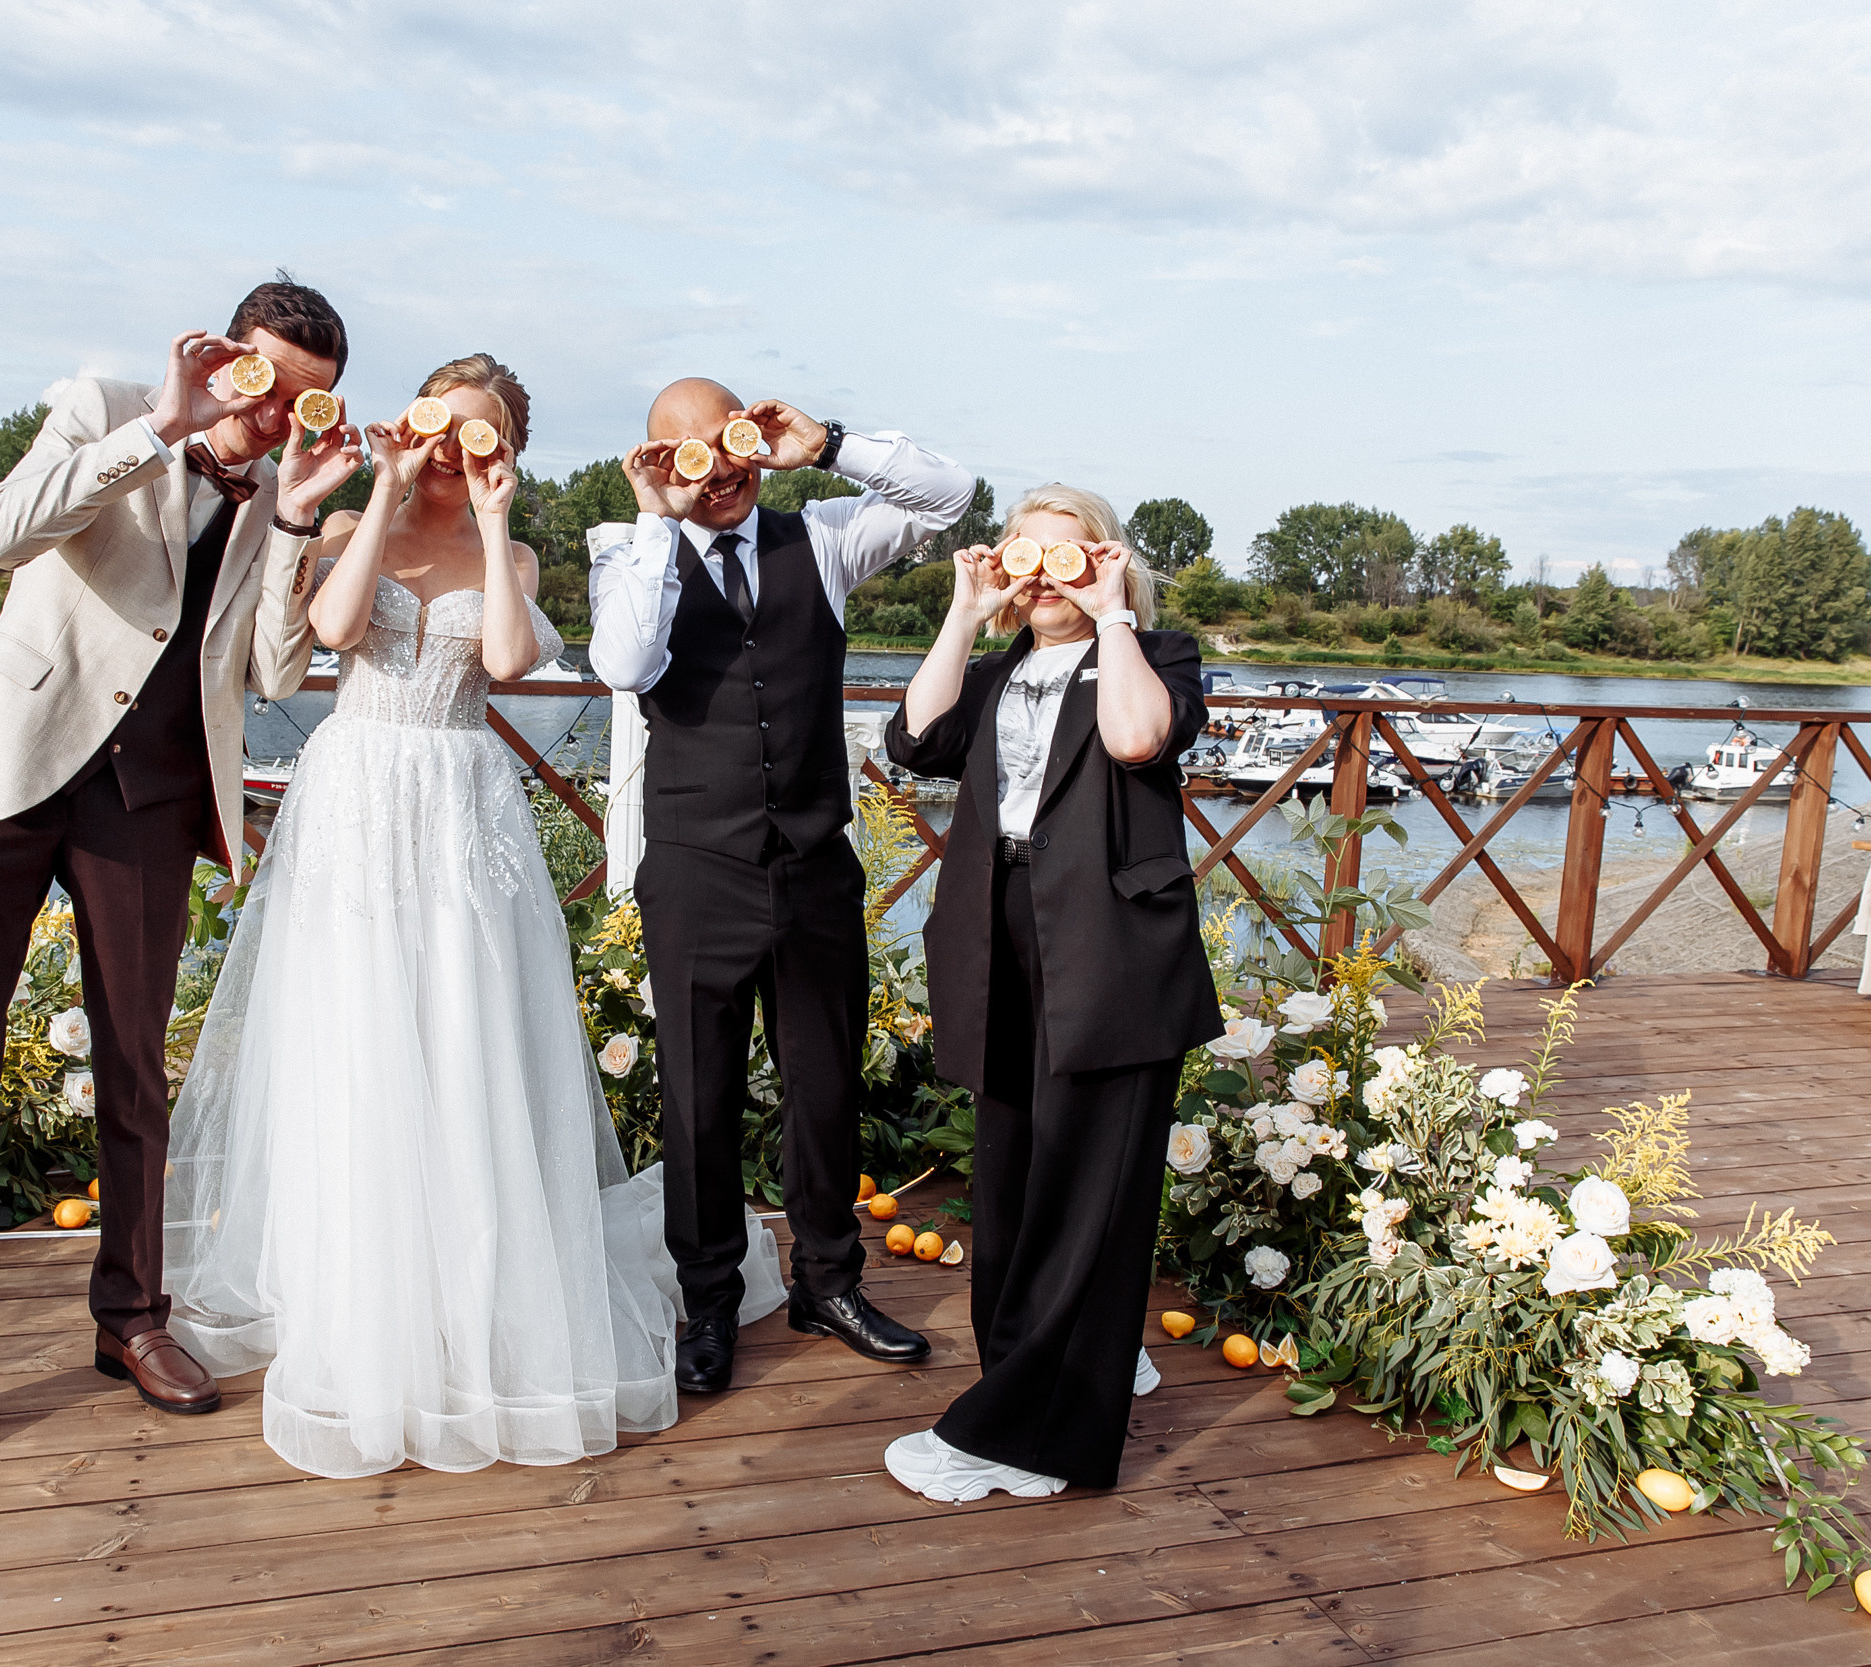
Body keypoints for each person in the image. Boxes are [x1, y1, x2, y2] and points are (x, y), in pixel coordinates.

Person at [160, 355, 782, 1478]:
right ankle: (359, 1294)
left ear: (506, 451)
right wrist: (390, 484)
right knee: (359, 1037)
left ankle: (470, 1294)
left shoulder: (522, 549)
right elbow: (338, 631)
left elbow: (502, 657)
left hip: (459, 800)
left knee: (460, 1036)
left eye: (481, 434)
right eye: (443, 425)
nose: (456, 447)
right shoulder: (361, 511)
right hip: (356, 793)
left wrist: (494, 529)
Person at [0, 281, 361, 1514]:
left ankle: (130, 1316)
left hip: (153, 799)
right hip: (12, 770)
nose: (272, 412)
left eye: (299, 393)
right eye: (257, 380)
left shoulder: (286, 483)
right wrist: (161, 429)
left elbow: (277, 666)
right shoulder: (109, 405)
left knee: (135, 1072)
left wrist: (297, 520)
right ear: (223, 359)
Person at [588, 381, 971, 1393]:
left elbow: (951, 495)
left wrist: (831, 443)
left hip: (812, 861)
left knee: (824, 1081)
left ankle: (827, 1281)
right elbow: (626, 661)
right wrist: (655, 521)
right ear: (658, 460)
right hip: (694, 865)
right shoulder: (626, 547)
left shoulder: (826, 536)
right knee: (698, 1098)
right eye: (691, 453)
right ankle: (707, 1300)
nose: (722, 467)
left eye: (732, 441)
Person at [879, 484, 1221, 1503]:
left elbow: (1132, 742)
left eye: (1063, 554)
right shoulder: (993, 671)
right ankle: (1055, 1374)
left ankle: (1023, 1436)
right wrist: (962, 606)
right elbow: (912, 739)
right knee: (1016, 1178)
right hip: (1000, 940)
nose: (1041, 572)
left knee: (1089, 1193)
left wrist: (1114, 607)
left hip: (1112, 948)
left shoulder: (1154, 658)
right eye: (1023, 553)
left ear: (1107, 561)